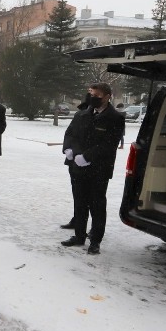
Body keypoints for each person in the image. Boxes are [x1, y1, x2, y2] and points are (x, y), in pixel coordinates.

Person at [60, 82, 125, 255]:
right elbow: (70, 134)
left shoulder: (115, 118)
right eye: (90, 94)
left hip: (98, 169)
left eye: (97, 96)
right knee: (79, 202)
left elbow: (109, 144)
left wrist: (87, 157)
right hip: (77, 167)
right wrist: (69, 149)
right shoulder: (82, 113)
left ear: (107, 96)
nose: (92, 98)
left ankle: (95, 240)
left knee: (97, 204)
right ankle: (79, 235)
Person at [61, 93, 92, 230]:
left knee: (92, 197)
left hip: (90, 161)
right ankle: (77, 220)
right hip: (74, 161)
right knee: (77, 194)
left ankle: (91, 226)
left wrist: (85, 155)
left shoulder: (99, 117)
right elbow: (70, 133)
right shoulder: (79, 115)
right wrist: (68, 148)